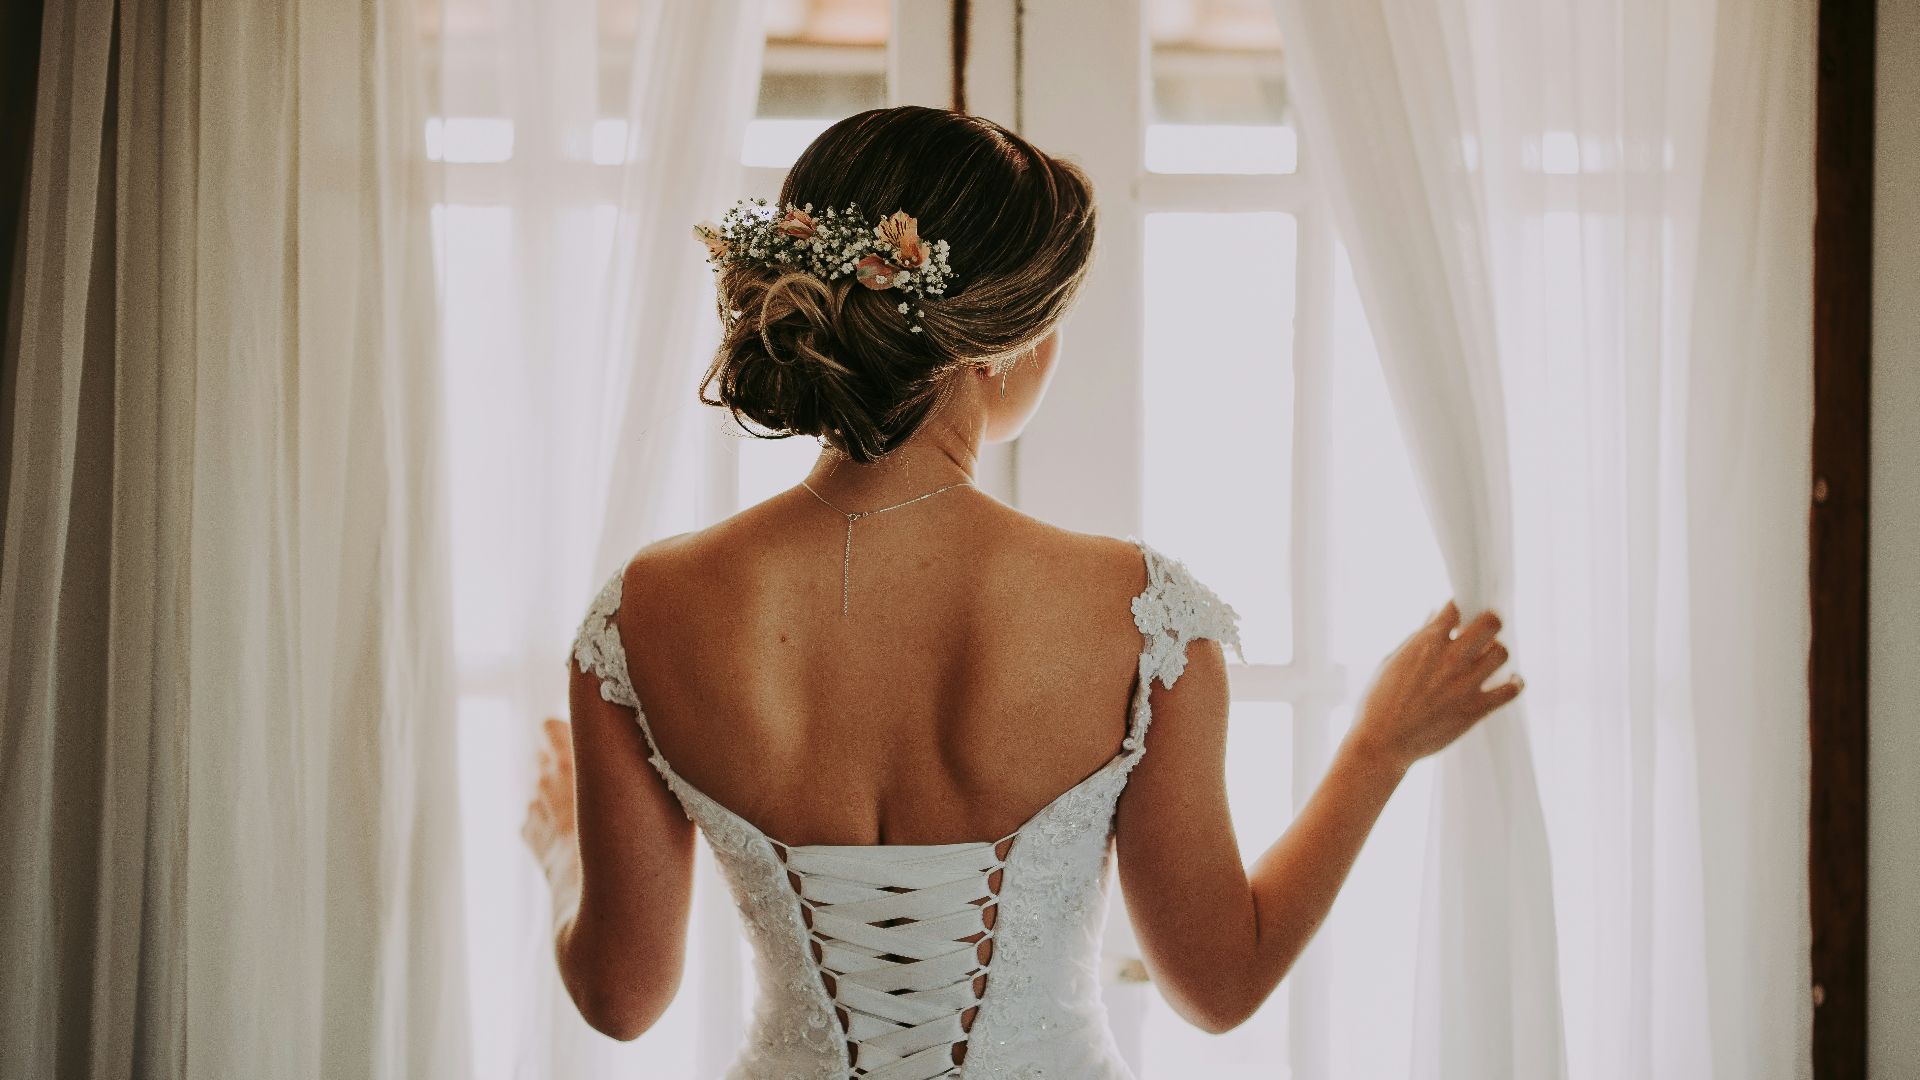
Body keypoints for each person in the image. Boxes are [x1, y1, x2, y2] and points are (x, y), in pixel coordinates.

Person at [520, 105, 1523, 1080]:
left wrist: (567, 854)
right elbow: (1221, 986)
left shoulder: (645, 611)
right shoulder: (1141, 616)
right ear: (1000, 342)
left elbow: (622, 999)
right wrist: (1378, 745)